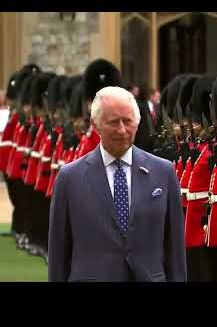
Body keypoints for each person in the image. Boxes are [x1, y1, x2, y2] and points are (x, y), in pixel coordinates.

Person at [48, 86, 186, 282]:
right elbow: (58, 253)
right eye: (113, 122)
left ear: (137, 123)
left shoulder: (163, 172)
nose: (122, 130)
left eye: (128, 121)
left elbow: (175, 250)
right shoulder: (70, 177)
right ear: (96, 125)